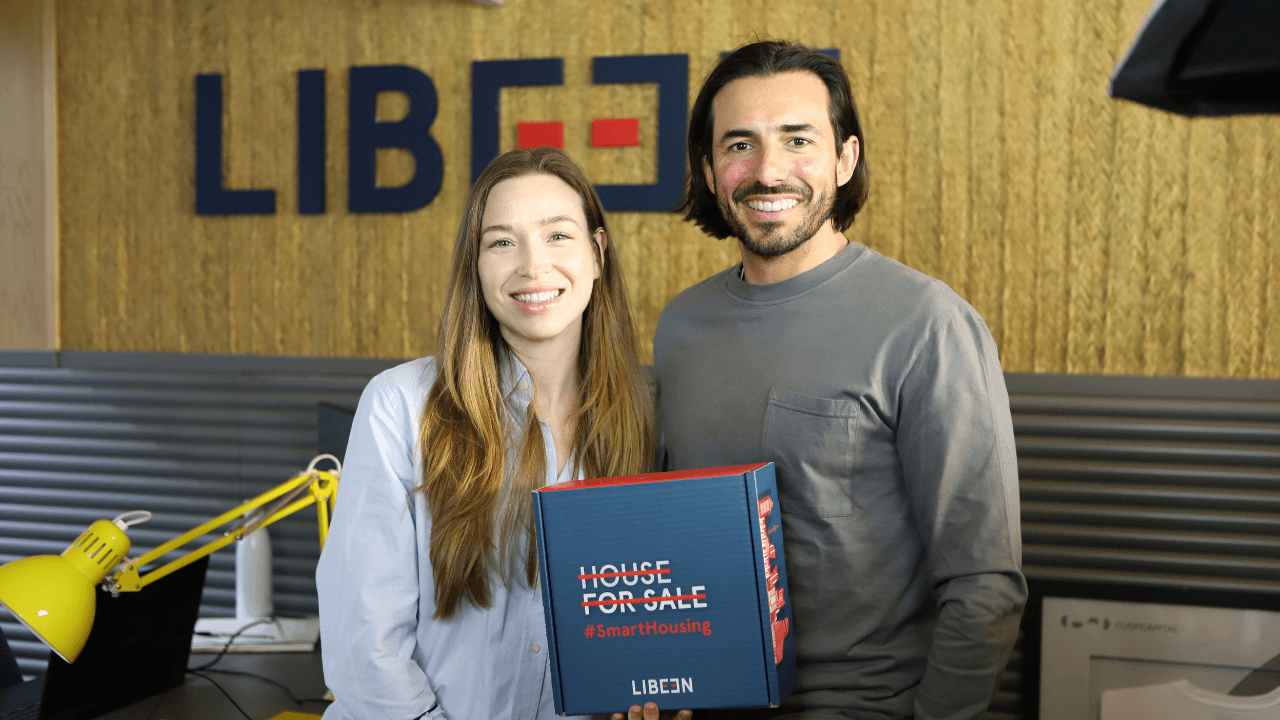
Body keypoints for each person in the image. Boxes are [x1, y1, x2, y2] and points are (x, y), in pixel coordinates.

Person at [653, 41, 1026, 719]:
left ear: (845, 159)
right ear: (708, 170)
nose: (768, 171)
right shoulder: (680, 326)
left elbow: (984, 585)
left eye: (798, 140)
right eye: (739, 145)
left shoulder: (927, 323)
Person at [317, 147, 657, 720]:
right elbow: (364, 649)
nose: (533, 266)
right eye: (502, 242)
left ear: (598, 255)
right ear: (475, 266)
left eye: (558, 236)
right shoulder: (400, 406)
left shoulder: (639, 421)